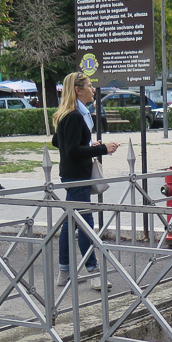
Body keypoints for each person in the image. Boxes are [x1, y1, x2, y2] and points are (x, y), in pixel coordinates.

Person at [52, 72, 120, 290]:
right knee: (85, 223)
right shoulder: (74, 115)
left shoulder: (70, 114)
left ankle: (64, 272)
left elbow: (58, 141)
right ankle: (93, 271)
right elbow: (71, 150)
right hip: (77, 175)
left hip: (71, 174)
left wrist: (89, 144)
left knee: (70, 222)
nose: (93, 90)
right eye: (90, 86)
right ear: (78, 90)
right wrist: (100, 148)